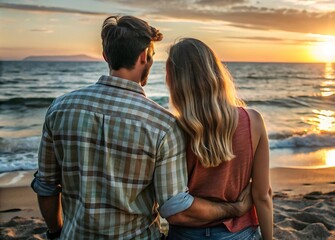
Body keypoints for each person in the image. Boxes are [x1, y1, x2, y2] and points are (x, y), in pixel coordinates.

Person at [31, 16, 252, 239]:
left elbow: (47, 186)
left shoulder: (60, 108)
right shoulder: (163, 125)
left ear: (106, 56)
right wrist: (234, 209)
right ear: (144, 57)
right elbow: (176, 208)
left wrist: (55, 232)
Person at [165, 38, 273, 240]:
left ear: (175, 82)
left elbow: (172, 201)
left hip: (186, 235)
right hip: (239, 233)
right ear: (214, 72)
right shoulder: (253, 121)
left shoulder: (174, 129)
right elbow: (262, 194)